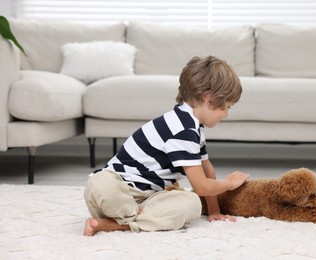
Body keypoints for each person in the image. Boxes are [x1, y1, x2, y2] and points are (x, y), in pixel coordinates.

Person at [83, 55, 250, 236]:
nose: (225, 114)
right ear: (209, 100)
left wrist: (214, 211)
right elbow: (201, 186)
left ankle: (115, 222)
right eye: (226, 107)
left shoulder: (194, 129)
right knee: (99, 183)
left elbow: (207, 169)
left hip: (149, 198)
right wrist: (228, 184)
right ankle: (130, 217)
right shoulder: (182, 129)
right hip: (118, 191)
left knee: (191, 203)